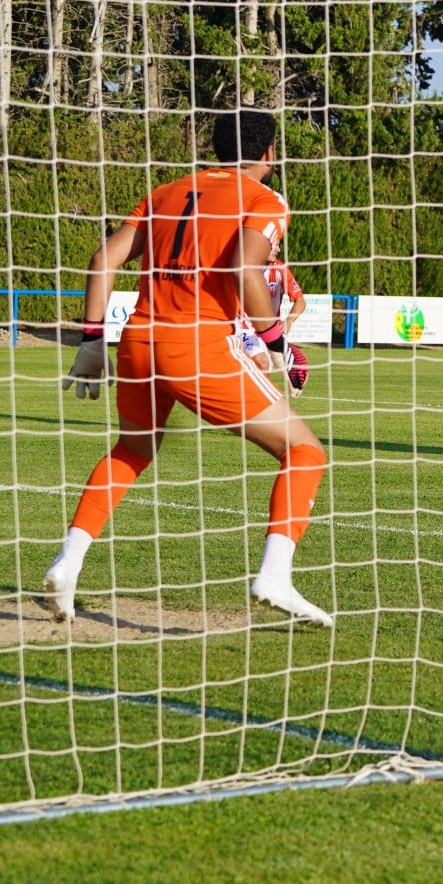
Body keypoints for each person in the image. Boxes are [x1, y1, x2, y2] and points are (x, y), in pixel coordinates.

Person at [49, 108, 333, 627]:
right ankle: (274, 576)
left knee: (132, 451)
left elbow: (103, 260)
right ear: (269, 154)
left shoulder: (166, 192)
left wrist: (91, 342)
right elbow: (246, 268)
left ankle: (67, 562)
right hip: (197, 344)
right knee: (304, 451)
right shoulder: (265, 199)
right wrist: (276, 343)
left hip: (138, 339)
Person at [238, 241, 310, 396]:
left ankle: (254, 409)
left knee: (263, 372)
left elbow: (301, 301)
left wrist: (289, 320)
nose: (278, 249)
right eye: (274, 245)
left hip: (268, 332)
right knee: (262, 363)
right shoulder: (242, 267)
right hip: (242, 327)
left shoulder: (280, 270)